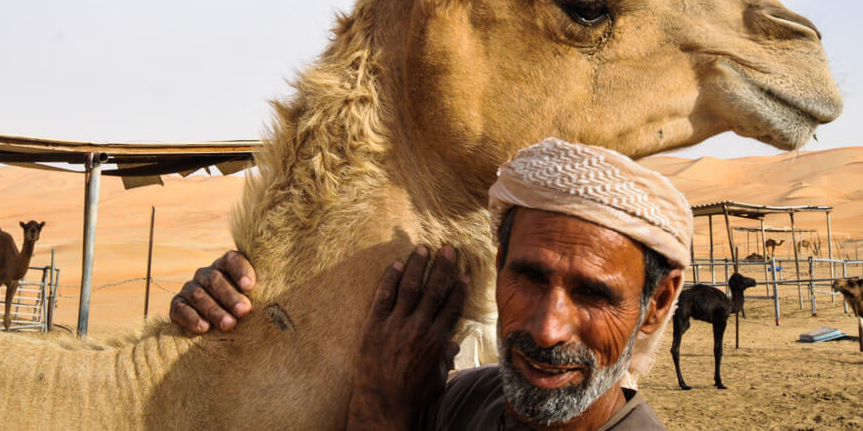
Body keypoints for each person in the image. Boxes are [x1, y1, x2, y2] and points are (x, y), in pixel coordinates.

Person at [171, 138, 691, 429]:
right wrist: (245, 318)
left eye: (593, 294)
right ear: (500, 262)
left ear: (657, 302)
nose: (548, 329)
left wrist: (381, 408)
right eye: (529, 278)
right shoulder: (465, 402)